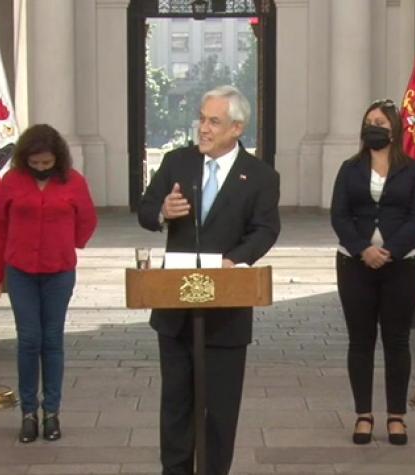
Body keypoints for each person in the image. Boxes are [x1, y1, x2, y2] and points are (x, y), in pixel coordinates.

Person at [138, 85, 280, 475]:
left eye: (214, 122)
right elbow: (146, 210)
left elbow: (266, 229)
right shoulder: (177, 162)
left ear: (237, 128)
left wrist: (234, 261)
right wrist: (163, 211)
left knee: (220, 411)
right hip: (176, 309)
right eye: (201, 119)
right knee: (176, 406)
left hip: (227, 312)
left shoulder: (261, 176)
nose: (203, 128)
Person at [330, 99, 415, 446]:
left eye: (381, 123)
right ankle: (363, 415)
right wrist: (363, 249)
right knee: (360, 341)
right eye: (369, 121)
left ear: (394, 130)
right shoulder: (349, 168)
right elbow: (339, 215)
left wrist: (390, 250)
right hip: (354, 264)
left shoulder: (413, 170)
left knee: (397, 341)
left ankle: (396, 416)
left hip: (402, 264)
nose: (374, 127)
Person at [0, 124, 97, 443]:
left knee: (52, 340)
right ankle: (28, 413)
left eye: (47, 163)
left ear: (57, 159)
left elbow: (87, 219)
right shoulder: (12, 181)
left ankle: (52, 412)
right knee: (28, 339)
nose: (41, 168)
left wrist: (68, 243)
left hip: (58, 271)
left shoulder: (74, 182)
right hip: (21, 270)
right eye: (35, 163)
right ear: (25, 158)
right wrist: (15, 246)